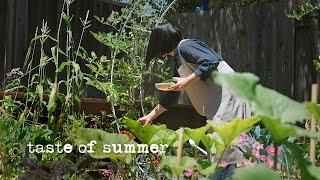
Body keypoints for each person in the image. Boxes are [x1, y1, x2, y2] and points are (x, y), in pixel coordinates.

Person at [138, 23, 251, 125]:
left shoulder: (185, 46)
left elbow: (210, 62)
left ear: (161, 42)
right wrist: (149, 116)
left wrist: (186, 81)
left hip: (229, 100)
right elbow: (172, 95)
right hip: (221, 104)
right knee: (223, 144)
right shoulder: (179, 60)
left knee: (228, 144)